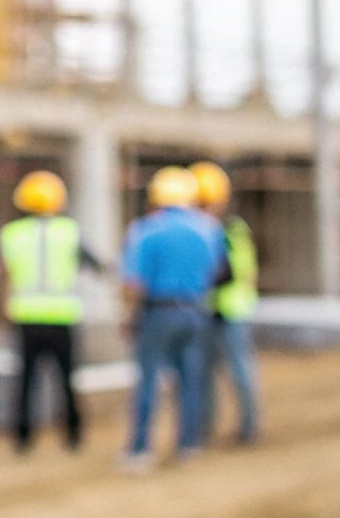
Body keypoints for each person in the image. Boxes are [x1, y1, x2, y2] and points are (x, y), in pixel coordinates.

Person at [0, 170, 103, 453]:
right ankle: (72, 435)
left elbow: (5, 275)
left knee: (27, 381)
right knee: (66, 380)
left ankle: (22, 438)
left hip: (25, 315)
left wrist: (5, 306)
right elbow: (94, 265)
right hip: (62, 316)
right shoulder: (70, 232)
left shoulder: (12, 234)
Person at [121, 166, 217, 472]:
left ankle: (140, 449)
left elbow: (134, 283)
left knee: (149, 380)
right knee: (190, 380)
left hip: (157, 311)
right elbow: (214, 271)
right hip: (195, 310)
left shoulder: (145, 230)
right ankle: (188, 444)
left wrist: (130, 315)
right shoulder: (209, 228)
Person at [191, 161, 260, 446]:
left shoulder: (231, 230)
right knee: (204, 373)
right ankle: (205, 429)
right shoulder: (205, 230)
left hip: (231, 309)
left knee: (238, 370)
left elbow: (234, 272)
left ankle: (248, 426)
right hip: (208, 309)